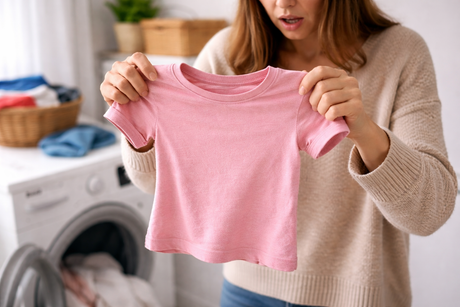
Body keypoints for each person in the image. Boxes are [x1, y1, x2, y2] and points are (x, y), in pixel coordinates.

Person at [100, 0, 458, 306]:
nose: (283, 4)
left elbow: (429, 214)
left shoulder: (401, 53)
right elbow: (152, 182)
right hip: (247, 291)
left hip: (358, 296)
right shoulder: (226, 55)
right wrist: (136, 113)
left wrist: (363, 128)